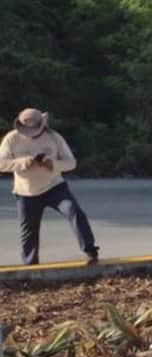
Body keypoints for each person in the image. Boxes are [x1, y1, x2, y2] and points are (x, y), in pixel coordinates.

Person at [0, 108, 99, 265]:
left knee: (74, 211)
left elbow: (71, 163)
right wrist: (20, 163)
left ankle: (90, 251)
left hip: (54, 187)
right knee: (28, 232)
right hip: (26, 192)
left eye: (34, 130)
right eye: (27, 129)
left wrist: (53, 164)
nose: (30, 133)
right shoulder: (11, 139)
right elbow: (2, 164)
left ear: (42, 125)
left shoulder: (54, 137)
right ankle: (30, 266)